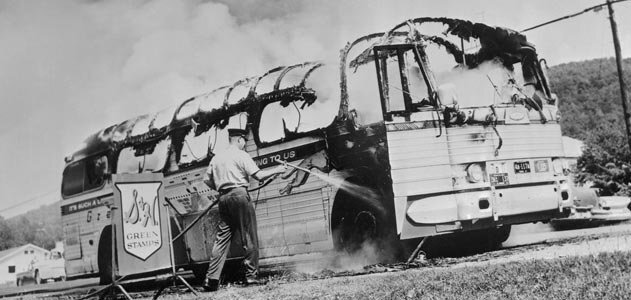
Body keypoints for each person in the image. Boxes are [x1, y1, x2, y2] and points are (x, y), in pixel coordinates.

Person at [202, 128, 286, 292]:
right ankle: (251, 276)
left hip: (223, 199)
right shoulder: (241, 155)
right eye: (244, 141)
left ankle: (210, 280)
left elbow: (206, 179)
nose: (245, 144)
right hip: (240, 196)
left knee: (222, 240)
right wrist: (278, 170)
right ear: (239, 139)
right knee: (249, 236)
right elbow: (259, 176)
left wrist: (220, 189)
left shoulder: (217, 157)